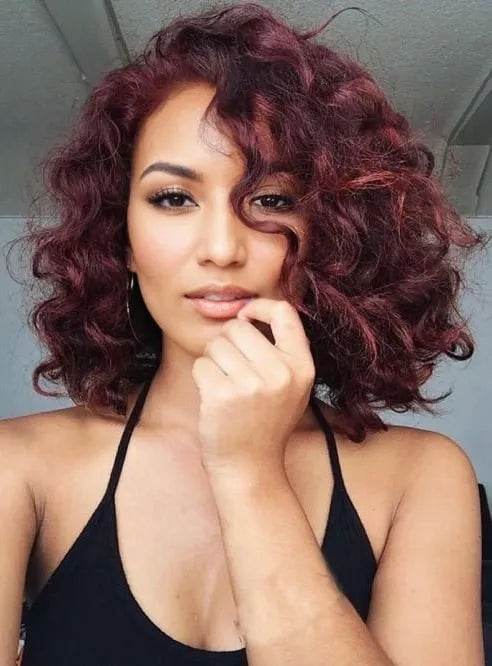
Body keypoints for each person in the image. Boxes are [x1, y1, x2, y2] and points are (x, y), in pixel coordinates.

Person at [2, 3, 488, 665]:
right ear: (124, 240)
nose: (222, 249)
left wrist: (250, 472)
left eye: (271, 200)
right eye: (174, 198)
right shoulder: (17, 466)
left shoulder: (421, 476)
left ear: (331, 237)